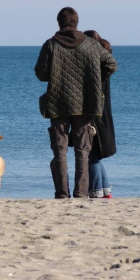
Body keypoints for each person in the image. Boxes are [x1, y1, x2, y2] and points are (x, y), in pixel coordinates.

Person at [34, 7, 117, 199]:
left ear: (59, 23)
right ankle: (81, 194)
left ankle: (62, 194)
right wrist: (95, 79)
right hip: (86, 103)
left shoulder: (51, 45)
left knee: (60, 151)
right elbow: (111, 64)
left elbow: (41, 74)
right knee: (83, 151)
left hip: (58, 104)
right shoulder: (91, 45)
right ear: (76, 22)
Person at [84, 30, 117, 198]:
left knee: (91, 155)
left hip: (96, 116)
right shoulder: (103, 65)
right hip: (102, 116)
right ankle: (105, 191)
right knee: (94, 154)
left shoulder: (97, 67)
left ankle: (97, 191)